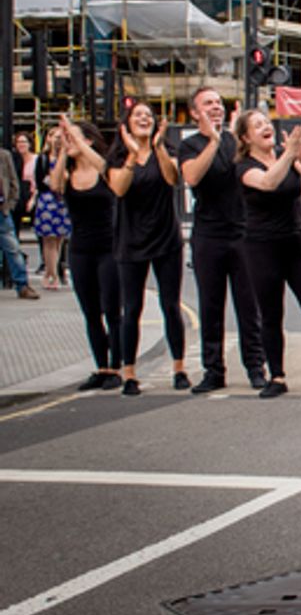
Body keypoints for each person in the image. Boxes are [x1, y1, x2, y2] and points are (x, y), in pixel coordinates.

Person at [235, 110, 301, 398]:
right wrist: (288, 155)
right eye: (257, 125)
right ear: (246, 137)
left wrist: (300, 155)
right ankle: (277, 375)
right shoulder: (244, 166)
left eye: (266, 123)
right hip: (261, 246)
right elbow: (268, 182)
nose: (265, 127)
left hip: (296, 240)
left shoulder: (288, 155)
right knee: (271, 313)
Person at [178, 87, 267, 393]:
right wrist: (213, 141)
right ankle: (213, 370)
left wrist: (231, 135)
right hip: (208, 236)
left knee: (248, 305)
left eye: (218, 103)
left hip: (242, 233)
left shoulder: (235, 142)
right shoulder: (190, 145)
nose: (215, 107)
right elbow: (192, 177)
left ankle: (256, 366)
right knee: (211, 306)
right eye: (207, 104)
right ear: (194, 112)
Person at [107, 101, 187, 395]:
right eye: (137, 115)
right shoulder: (117, 157)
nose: (144, 118)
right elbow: (119, 189)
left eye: (148, 116)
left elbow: (172, 178)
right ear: (126, 123)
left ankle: (179, 367)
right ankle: (129, 372)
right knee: (132, 308)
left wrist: (158, 147)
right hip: (130, 241)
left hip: (166, 238)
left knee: (170, 305)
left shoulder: (166, 151)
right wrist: (132, 153)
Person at [50, 116, 121, 389]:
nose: (69, 141)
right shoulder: (68, 173)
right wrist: (60, 151)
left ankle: (117, 367)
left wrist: (78, 140)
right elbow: (55, 185)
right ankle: (101, 367)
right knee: (91, 311)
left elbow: (105, 167)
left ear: (88, 140)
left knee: (112, 310)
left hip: (109, 247)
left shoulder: (104, 170)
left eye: (74, 137)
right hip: (80, 249)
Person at [33, 127, 72, 289]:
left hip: (63, 201)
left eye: (60, 137)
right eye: (54, 137)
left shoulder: (68, 158)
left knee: (60, 241)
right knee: (48, 240)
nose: (57, 140)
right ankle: (53, 274)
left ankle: (50, 273)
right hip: (48, 200)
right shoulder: (43, 158)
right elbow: (40, 180)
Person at [1, 140, 40, 299]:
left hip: (2, 211)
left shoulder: (4, 156)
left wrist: (10, 205)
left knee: (13, 249)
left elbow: (13, 181)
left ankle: (22, 285)